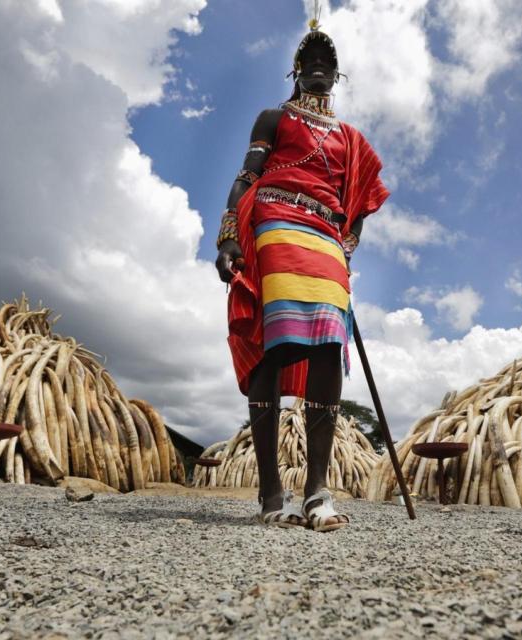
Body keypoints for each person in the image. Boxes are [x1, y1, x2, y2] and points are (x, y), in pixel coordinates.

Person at [215, 16, 388, 532]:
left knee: (329, 344)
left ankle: (316, 490)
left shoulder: (350, 139)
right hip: (274, 222)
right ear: (296, 71)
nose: (319, 71)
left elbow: (361, 200)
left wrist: (347, 243)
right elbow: (245, 178)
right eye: (310, 64)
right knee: (276, 342)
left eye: (327, 66)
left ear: (337, 77)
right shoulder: (273, 118)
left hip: (325, 237)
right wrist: (228, 235)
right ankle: (271, 491)